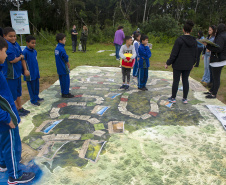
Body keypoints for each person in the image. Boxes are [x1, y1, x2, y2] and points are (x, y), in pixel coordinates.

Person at [0, 36, 35, 184]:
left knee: (5, 142)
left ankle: (3, 163)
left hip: (5, 115)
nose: (6, 55)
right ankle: (15, 175)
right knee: (12, 145)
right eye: (4, 51)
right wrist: (7, 118)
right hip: (6, 117)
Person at [165, 20, 197, 104]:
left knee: (176, 80)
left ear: (183, 30)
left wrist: (168, 62)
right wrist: (193, 63)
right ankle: (185, 98)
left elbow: (174, 54)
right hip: (188, 65)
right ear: (191, 30)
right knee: (185, 80)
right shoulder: (194, 41)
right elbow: (196, 54)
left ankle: (173, 98)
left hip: (178, 64)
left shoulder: (179, 40)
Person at [2, 27, 30, 117]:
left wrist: (25, 69)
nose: (13, 38)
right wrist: (20, 57)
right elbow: (12, 60)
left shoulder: (16, 44)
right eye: (10, 36)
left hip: (18, 74)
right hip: (11, 75)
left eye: (14, 36)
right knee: (12, 94)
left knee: (18, 92)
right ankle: (14, 110)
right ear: (4, 36)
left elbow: (22, 57)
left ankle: (20, 107)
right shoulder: (7, 46)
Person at [203, 23, 226, 99]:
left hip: (218, 60)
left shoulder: (221, 36)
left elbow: (218, 48)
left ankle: (214, 94)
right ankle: (211, 90)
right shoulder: (223, 35)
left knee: (216, 78)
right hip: (220, 59)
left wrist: (208, 45)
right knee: (214, 76)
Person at [23, 35, 44, 106]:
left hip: (35, 72)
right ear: (27, 43)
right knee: (31, 87)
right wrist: (25, 71)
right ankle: (33, 100)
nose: (34, 44)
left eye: (35, 43)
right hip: (29, 74)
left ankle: (36, 97)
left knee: (36, 86)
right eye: (32, 43)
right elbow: (23, 63)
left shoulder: (35, 51)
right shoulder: (25, 52)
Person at [55, 33, 74, 98]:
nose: (65, 40)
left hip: (59, 68)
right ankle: (66, 93)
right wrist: (68, 63)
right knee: (66, 80)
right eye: (64, 39)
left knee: (62, 80)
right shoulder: (61, 49)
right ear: (60, 41)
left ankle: (63, 92)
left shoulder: (57, 48)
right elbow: (65, 57)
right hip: (63, 67)